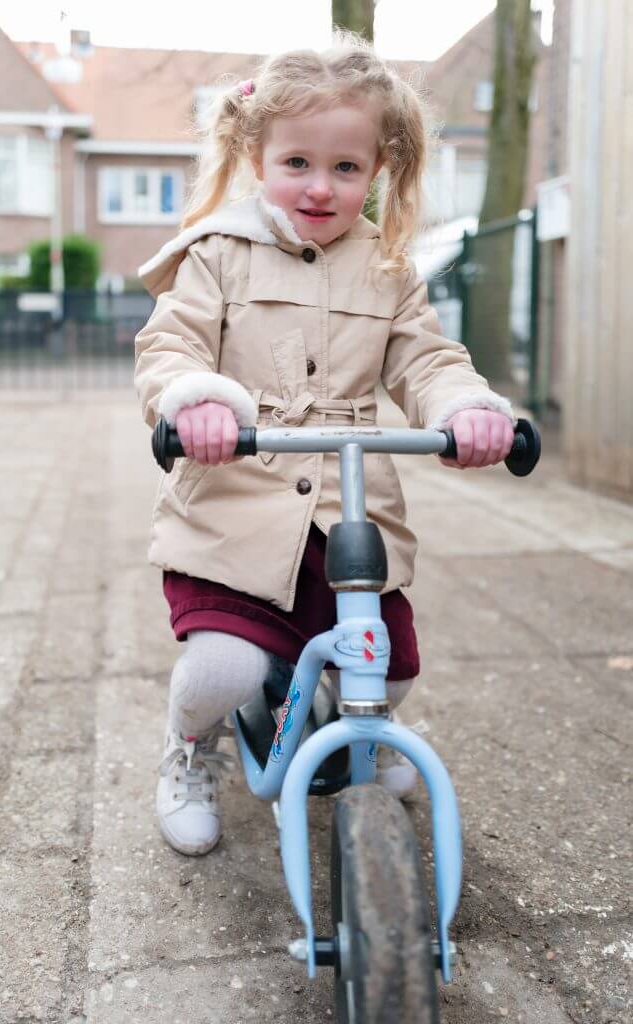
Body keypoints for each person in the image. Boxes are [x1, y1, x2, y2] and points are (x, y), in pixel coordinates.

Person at [135, 31, 515, 857]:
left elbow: (426, 359)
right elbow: (171, 345)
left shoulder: (388, 269)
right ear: (257, 157)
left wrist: (466, 409)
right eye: (297, 162)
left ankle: (360, 728)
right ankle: (190, 744)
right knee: (223, 672)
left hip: (348, 514)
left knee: (391, 667)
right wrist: (197, 400)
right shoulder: (217, 255)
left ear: (376, 169)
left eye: (345, 167)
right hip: (234, 504)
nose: (319, 185)